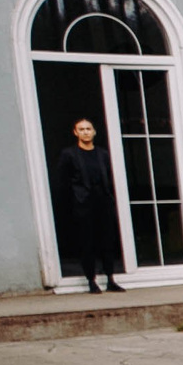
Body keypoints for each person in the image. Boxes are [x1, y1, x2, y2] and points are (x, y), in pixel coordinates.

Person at [51, 117, 125, 293]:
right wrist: (72, 201)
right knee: (87, 242)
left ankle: (110, 279)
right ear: (75, 133)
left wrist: (110, 197)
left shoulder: (102, 154)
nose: (85, 132)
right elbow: (62, 181)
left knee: (107, 241)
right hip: (83, 203)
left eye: (88, 129)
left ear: (94, 132)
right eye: (81, 129)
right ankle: (91, 280)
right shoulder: (69, 154)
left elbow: (110, 176)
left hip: (103, 202)